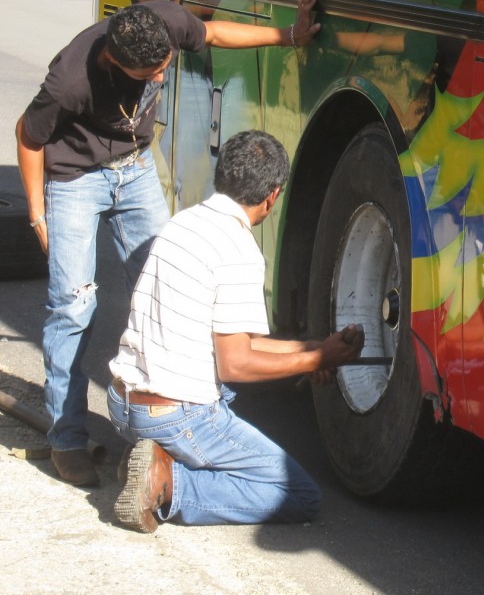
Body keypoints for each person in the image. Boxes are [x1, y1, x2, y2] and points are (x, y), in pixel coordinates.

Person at [14, 0, 322, 487]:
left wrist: (290, 34)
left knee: (174, 280)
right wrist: (36, 212)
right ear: (114, 60)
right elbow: (28, 135)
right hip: (74, 179)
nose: (161, 76)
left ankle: (198, 412)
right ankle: (66, 437)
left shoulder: (161, 23)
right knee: (73, 305)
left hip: (134, 169)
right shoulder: (71, 79)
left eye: (164, 65)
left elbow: (216, 32)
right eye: (150, 73)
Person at [106, 130, 365, 533]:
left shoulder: (183, 222)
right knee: (298, 494)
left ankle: (154, 458)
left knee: (224, 399)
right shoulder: (240, 250)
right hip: (174, 416)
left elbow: (236, 338)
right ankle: (168, 483)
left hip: (124, 404)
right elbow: (236, 363)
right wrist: (317, 359)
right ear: (272, 196)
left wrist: (314, 348)